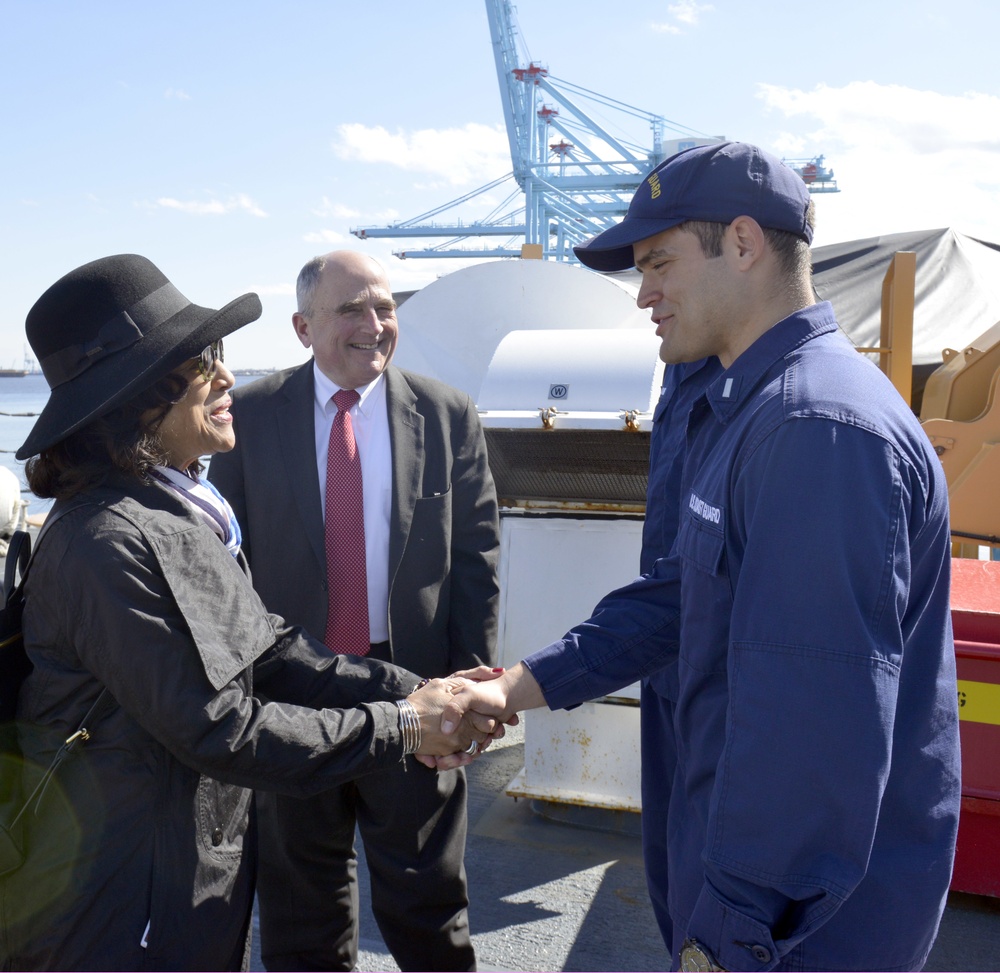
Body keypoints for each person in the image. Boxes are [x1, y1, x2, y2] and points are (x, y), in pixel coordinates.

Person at [441, 142, 961, 972]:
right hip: (733, 879)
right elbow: (683, 599)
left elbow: (810, 732)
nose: (643, 294)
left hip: (798, 930)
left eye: (658, 263)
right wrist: (516, 685)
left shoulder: (814, 430)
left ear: (745, 244)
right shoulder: (734, 402)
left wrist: (727, 936)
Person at [1, 253, 496, 971]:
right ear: (137, 397)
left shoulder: (169, 512)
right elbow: (220, 728)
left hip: (173, 879)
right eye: (202, 361)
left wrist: (407, 689)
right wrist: (402, 725)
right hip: (119, 908)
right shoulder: (104, 543)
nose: (228, 376)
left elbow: (268, 650)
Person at [208, 250, 500, 971]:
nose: (375, 325)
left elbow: (476, 559)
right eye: (351, 311)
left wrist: (471, 689)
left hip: (417, 691)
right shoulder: (246, 417)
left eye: (385, 307)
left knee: (428, 901)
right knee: (302, 909)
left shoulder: (446, 413)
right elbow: (224, 565)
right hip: (292, 703)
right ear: (304, 326)